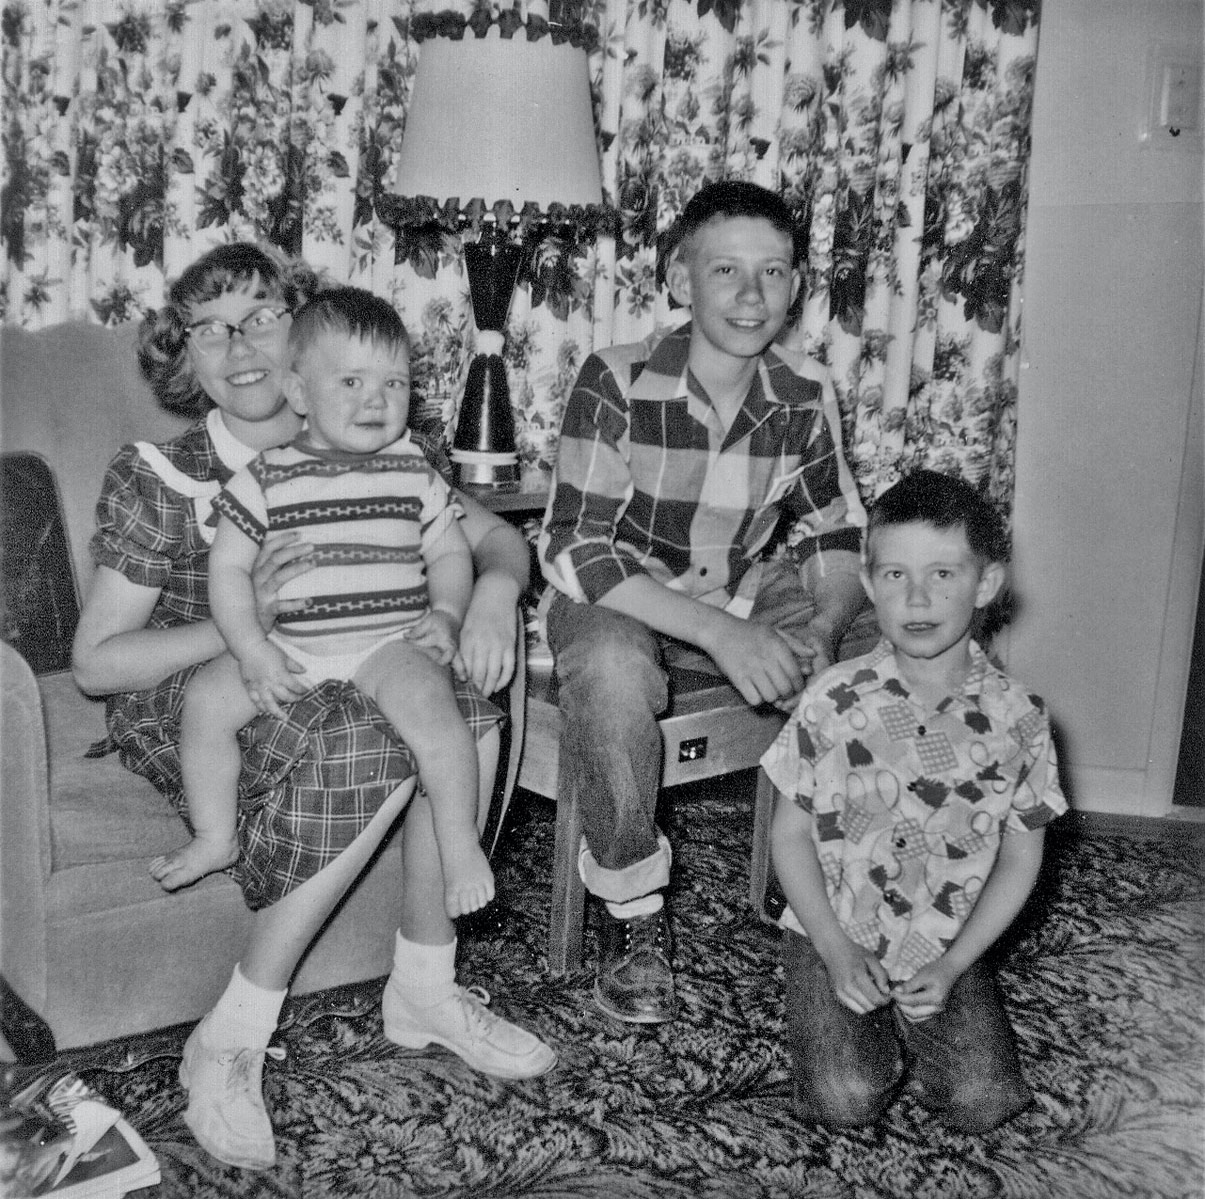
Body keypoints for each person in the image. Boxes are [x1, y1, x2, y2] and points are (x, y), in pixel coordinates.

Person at [72, 245, 555, 1173]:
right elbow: (97, 665)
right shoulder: (164, 473)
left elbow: (488, 540)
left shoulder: (363, 433)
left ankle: (425, 984)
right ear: (186, 354)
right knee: (377, 732)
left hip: (349, 665)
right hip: (200, 692)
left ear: (301, 330)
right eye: (210, 329)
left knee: (462, 711)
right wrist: (247, 621)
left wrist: (492, 596)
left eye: (259, 316)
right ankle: (231, 1032)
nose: (238, 345)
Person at [537, 180, 868, 1024]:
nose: (751, 294)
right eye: (725, 270)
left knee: (885, 644)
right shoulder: (615, 376)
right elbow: (576, 547)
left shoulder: (803, 392)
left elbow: (833, 532)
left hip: (741, 589)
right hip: (619, 597)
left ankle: (832, 884)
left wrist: (824, 628)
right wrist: (720, 634)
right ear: (681, 280)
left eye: (773, 271)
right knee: (612, 670)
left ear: (796, 286)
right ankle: (630, 903)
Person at [150, 287, 494, 922]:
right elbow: (227, 569)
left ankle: (460, 844)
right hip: (292, 644)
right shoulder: (267, 475)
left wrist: (447, 613)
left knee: (438, 719)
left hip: (388, 644)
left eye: (394, 383)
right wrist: (252, 649)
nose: (377, 400)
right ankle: (215, 835)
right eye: (352, 382)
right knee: (205, 703)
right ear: (300, 393)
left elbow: (450, 553)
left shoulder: (414, 469)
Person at [761, 469, 1067, 1133]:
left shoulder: (1020, 719)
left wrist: (954, 962)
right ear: (870, 584)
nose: (917, 597)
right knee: (844, 1098)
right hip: (832, 929)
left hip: (943, 940)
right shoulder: (831, 699)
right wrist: (835, 949)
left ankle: (920, 1021)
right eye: (895, 574)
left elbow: (1021, 856)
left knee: (983, 1100)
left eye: (942, 574)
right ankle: (848, 1019)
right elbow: (788, 835)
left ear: (985, 583)